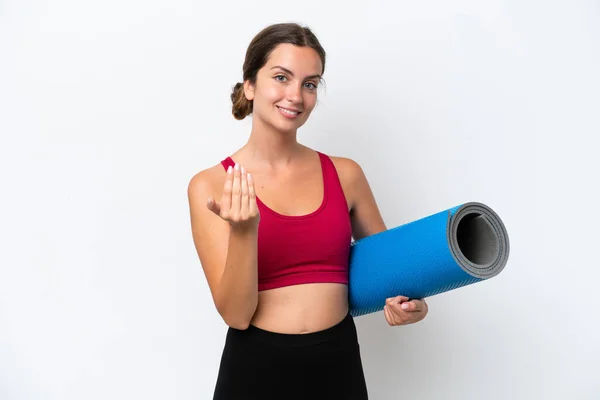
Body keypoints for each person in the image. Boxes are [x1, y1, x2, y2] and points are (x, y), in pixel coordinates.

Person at [187, 22, 428, 400]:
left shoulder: (346, 174)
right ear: (250, 85)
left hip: (338, 365)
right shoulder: (211, 185)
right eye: (281, 77)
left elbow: (390, 274)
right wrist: (245, 230)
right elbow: (236, 315)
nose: (295, 96)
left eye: (310, 84)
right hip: (255, 370)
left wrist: (412, 303)